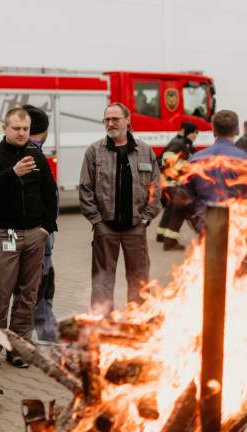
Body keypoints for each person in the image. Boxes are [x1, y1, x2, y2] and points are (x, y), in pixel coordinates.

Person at [0, 107, 58, 368]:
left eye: (25, 129)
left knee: (28, 295)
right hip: (6, 234)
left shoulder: (36, 156)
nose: (22, 133)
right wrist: (13, 173)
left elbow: (49, 193)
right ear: (4, 128)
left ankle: (17, 348)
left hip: (35, 235)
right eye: (16, 128)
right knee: (0, 293)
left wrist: (46, 228)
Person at [79, 103, 161, 312]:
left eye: (115, 119)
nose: (110, 123)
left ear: (127, 120)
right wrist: (97, 221)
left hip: (135, 227)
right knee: (102, 283)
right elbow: (85, 189)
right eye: (107, 119)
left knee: (139, 281)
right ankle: (102, 325)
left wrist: (145, 219)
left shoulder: (144, 151)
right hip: (106, 228)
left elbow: (156, 188)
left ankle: (138, 322)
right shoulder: (94, 152)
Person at [181, 110, 247, 234]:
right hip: (237, 228)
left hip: (206, 227)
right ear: (237, 130)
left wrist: (199, 217)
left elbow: (186, 196)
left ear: (214, 131)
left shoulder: (194, 159)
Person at [21, 104, 57, 342]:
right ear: (43, 132)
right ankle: (45, 332)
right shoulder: (35, 157)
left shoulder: (12, 154)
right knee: (41, 283)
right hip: (37, 237)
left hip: (17, 235)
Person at [156, 122, 199, 250]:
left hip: (170, 183)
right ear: (188, 132)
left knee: (172, 208)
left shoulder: (182, 143)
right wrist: (187, 170)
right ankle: (204, 235)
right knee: (185, 209)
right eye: (194, 133)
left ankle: (162, 235)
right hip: (173, 183)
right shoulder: (177, 144)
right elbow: (167, 163)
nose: (195, 136)